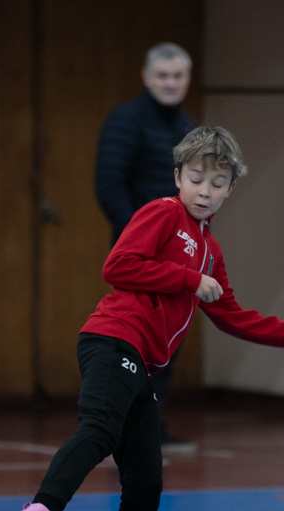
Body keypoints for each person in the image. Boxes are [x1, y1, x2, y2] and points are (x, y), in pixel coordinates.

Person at [8, 126, 284, 511]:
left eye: (218, 183)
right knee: (100, 428)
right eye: (197, 178)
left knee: (146, 489)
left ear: (230, 190)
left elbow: (234, 317)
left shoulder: (211, 251)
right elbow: (118, 265)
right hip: (113, 339)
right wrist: (187, 280)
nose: (205, 190)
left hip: (143, 364)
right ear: (178, 176)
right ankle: (42, 509)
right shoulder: (162, 213)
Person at [95, 42, 197, 453]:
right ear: (146, 77)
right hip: (139, 257)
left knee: (168, 343)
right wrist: (141, 240)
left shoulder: (190, 129)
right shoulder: (125, 121)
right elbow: (109, 185)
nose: (170, 83)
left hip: (180, 257)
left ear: (187, 80)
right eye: (162, 76)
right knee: (134, 342)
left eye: (178, 76)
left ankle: (150, 427)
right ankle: (121, 428)